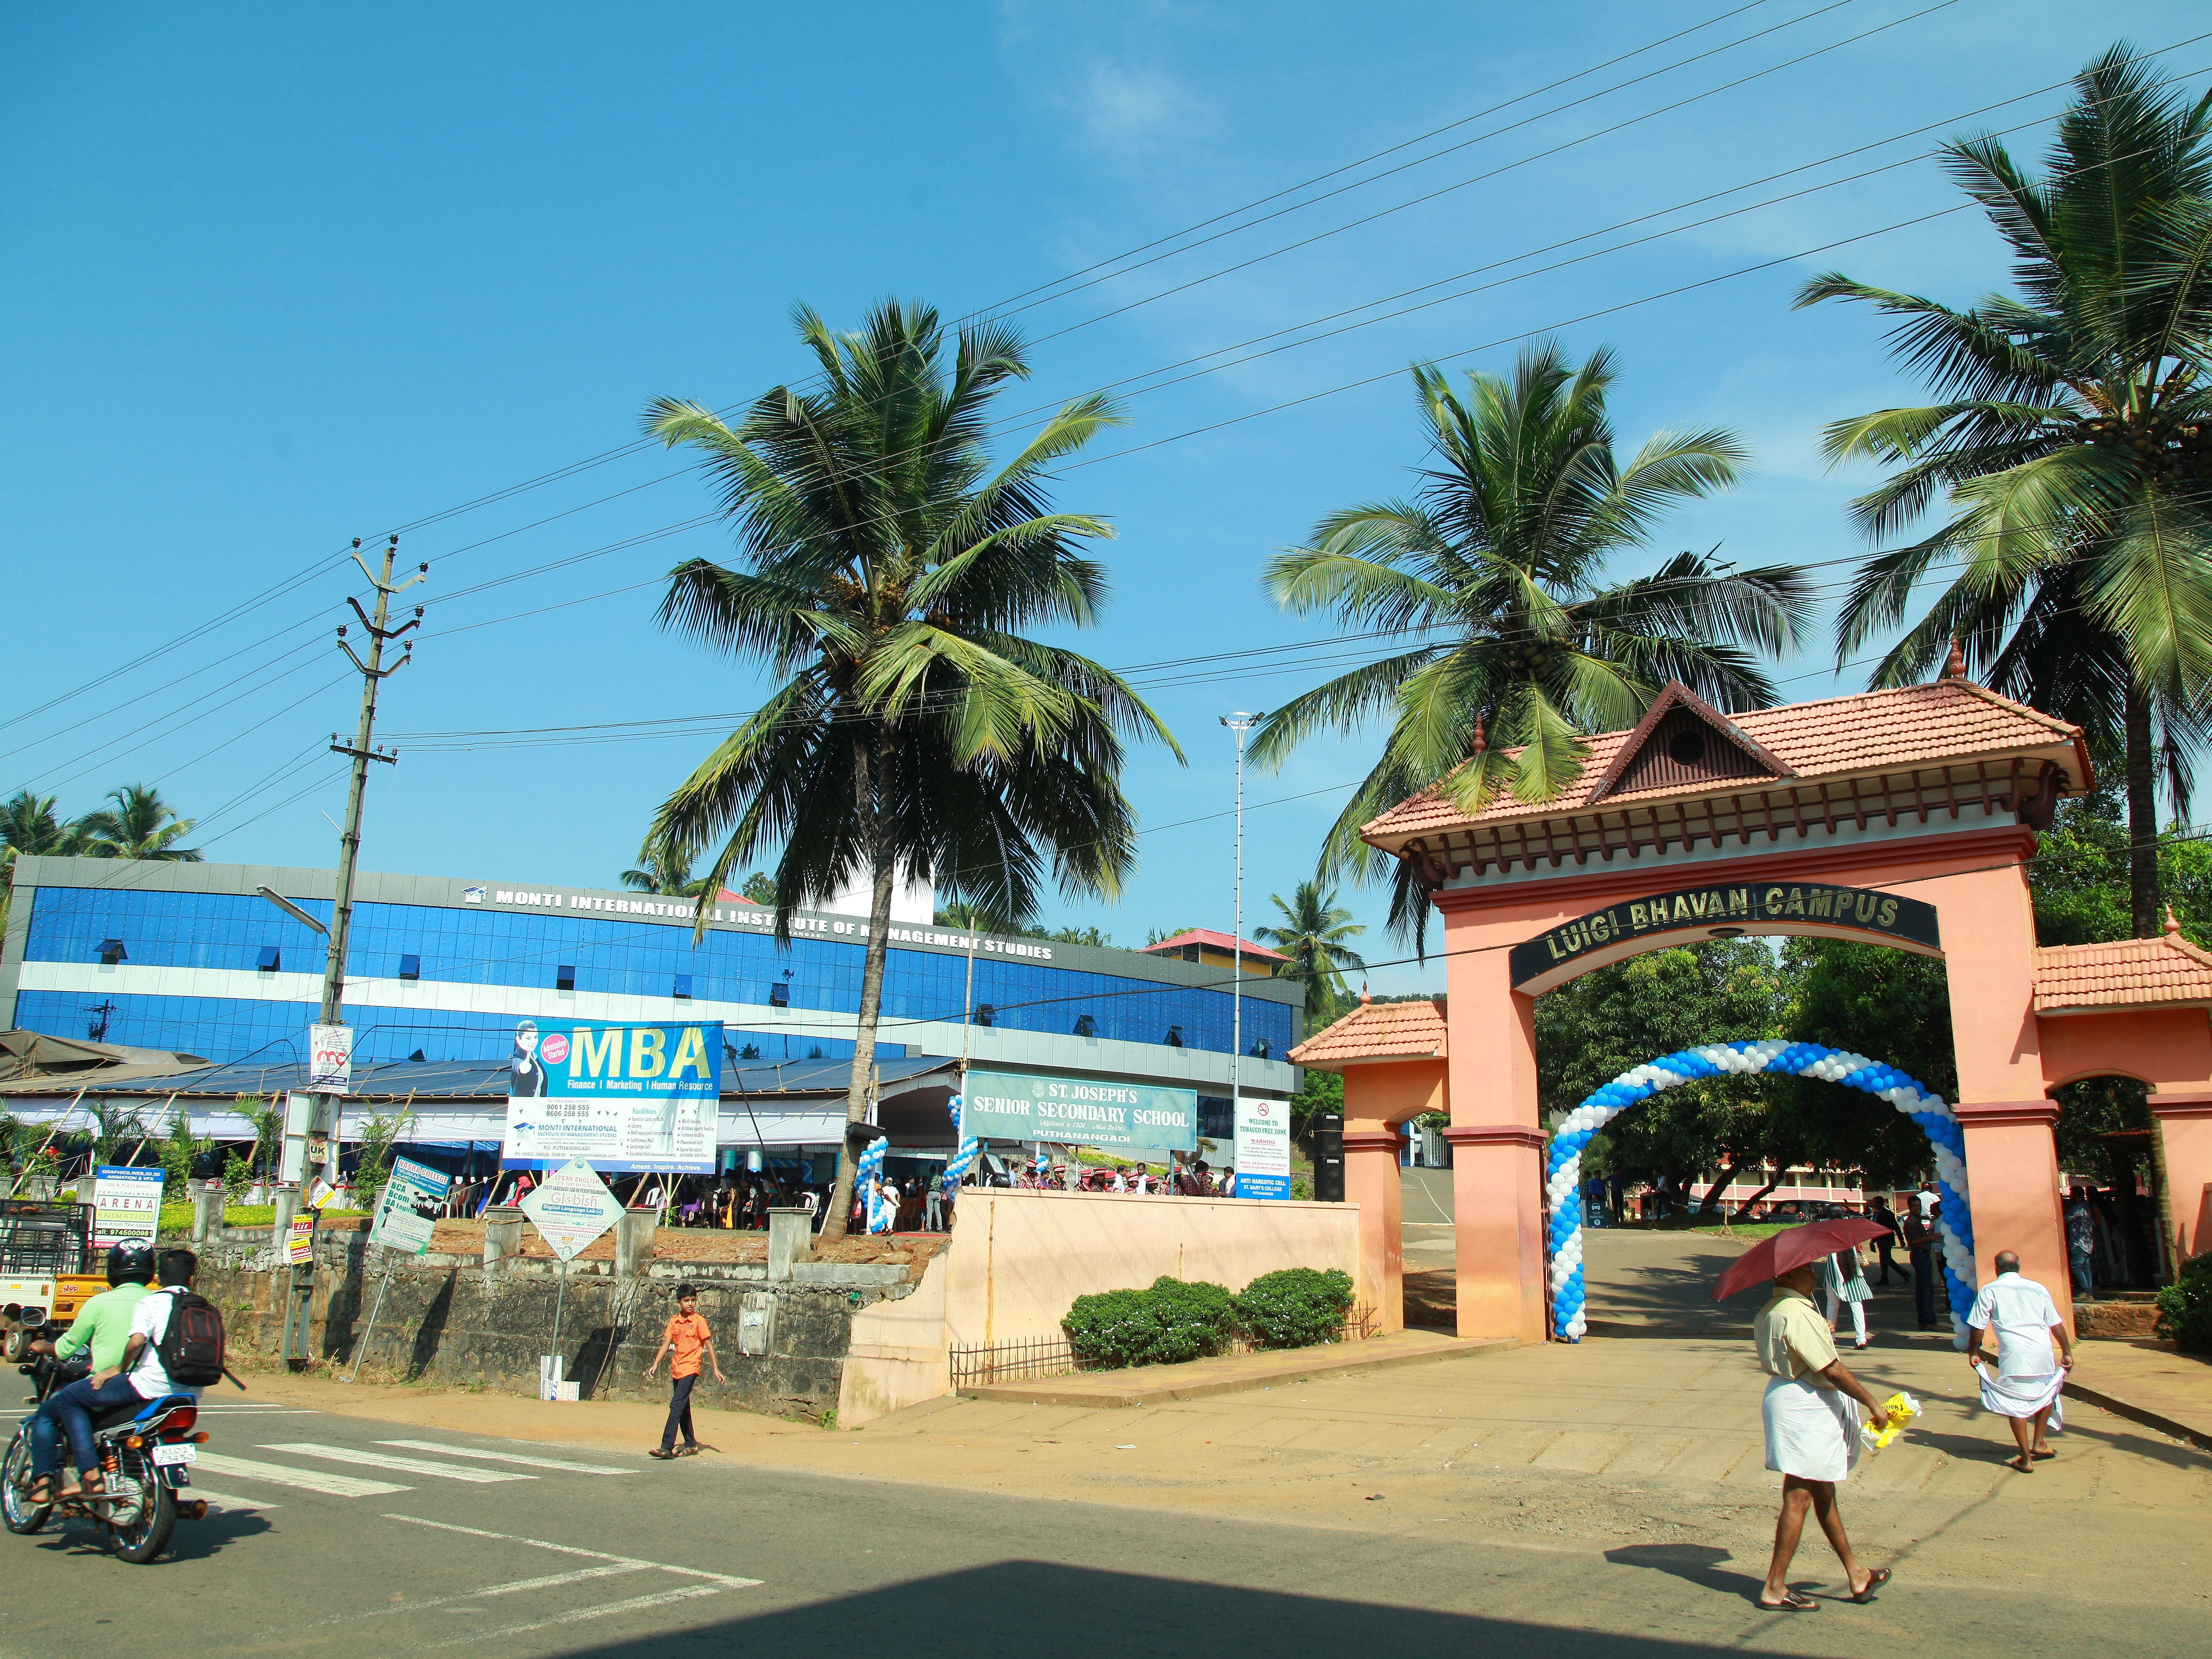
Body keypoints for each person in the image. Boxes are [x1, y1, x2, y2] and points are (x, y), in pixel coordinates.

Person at [1752, 1260, 1894, 1610]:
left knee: (1822, 1489)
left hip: (1792, 1397)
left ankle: (1856, 1572)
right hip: (1805, 1404)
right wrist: (1873, 1403)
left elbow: (1803, 1349)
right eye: (1807, 1272)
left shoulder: (1777, 1309)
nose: (1814, 1276)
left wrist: (1821, 1330)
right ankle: (1775, 1586)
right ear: (1787, 1275)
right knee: (1799, 1495)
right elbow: (1831, 1369)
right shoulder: (1797, 1314)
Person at [22, 1240, 157, 1504]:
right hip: (154, 1387)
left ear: (113, 1270)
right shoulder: (160, 1301)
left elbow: (68, 1346)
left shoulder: (100, 1302)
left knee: (50, 1413)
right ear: (151, 1272)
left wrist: (45, 1347)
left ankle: (52, 1481)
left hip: (114, 1385)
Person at [1966, 1249, 2074, 1474]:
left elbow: (1978, 1326)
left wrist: (1974, 1351)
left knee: (2016, 1404)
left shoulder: (1990, 1290)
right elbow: (2055, 1324)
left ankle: (2026, 1458)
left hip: (2014, 1354)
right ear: (2019, 1267)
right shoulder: (2038, 1288)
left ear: (1997, 1268)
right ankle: (2039, 1443)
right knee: (2045, 1394)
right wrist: (2066, 1351)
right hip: (2042, 1350)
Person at [643, 1283, 723, 1460]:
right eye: (686, 1301)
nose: (690, 1304)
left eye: (693, 1300)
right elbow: (666, 1344)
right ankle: (691, 1444)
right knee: (683, 1407)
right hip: (677, 1368)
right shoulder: (674, 1321)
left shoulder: (699, 1322)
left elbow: (709, 1345)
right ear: (679, 1302)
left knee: (676, 1405)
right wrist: (655, 1363)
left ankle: (666, 1446)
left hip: (691, 1368)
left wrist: (716, 1368)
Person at [1819, 1244, 1873, 1351]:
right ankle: (1861, 1339)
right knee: (1857, 1305)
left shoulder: (1829, 1236)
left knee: (1833, 1305)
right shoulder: (1850, 1235)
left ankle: (1831, 1336)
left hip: (1834, 1272)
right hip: (1852, 1270)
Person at [2063, 1188, 2095, 1297]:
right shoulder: (2086, 1207)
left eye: (2071, 1195)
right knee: (2085, 1267)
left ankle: (2086, 1290)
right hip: (2087, 1242)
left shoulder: (2078, 1208)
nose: (2070, 1197)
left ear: (2076, 1196)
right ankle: (2089, 1292)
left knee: (2076, 1266)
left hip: (2079, 1243)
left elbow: (2065, 1220)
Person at [509, 1019, 550, 1097]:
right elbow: (515, 1063)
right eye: (529, 1038)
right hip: (521, 1108)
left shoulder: (535, 1058)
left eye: (536, 1037)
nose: (534, 1042)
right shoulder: (516, 1057)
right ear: (519, 1040)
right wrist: (521, 1066)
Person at [1868, 1198, 1904, 1286]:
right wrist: (1873, 1241)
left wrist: (1901, 1240)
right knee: (1887, 1260)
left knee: (1885, 1260)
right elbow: (1876, 1229)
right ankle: (1904, 1274)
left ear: (1882, 1203)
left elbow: (1896, 1227)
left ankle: (1885, 1278)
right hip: (1880, 1240)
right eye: (1875, 1203)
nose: (1875, 1205)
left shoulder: (1888, 1214)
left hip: (1887, 1240)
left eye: (1877, 1203)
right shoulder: (1876, 1214)